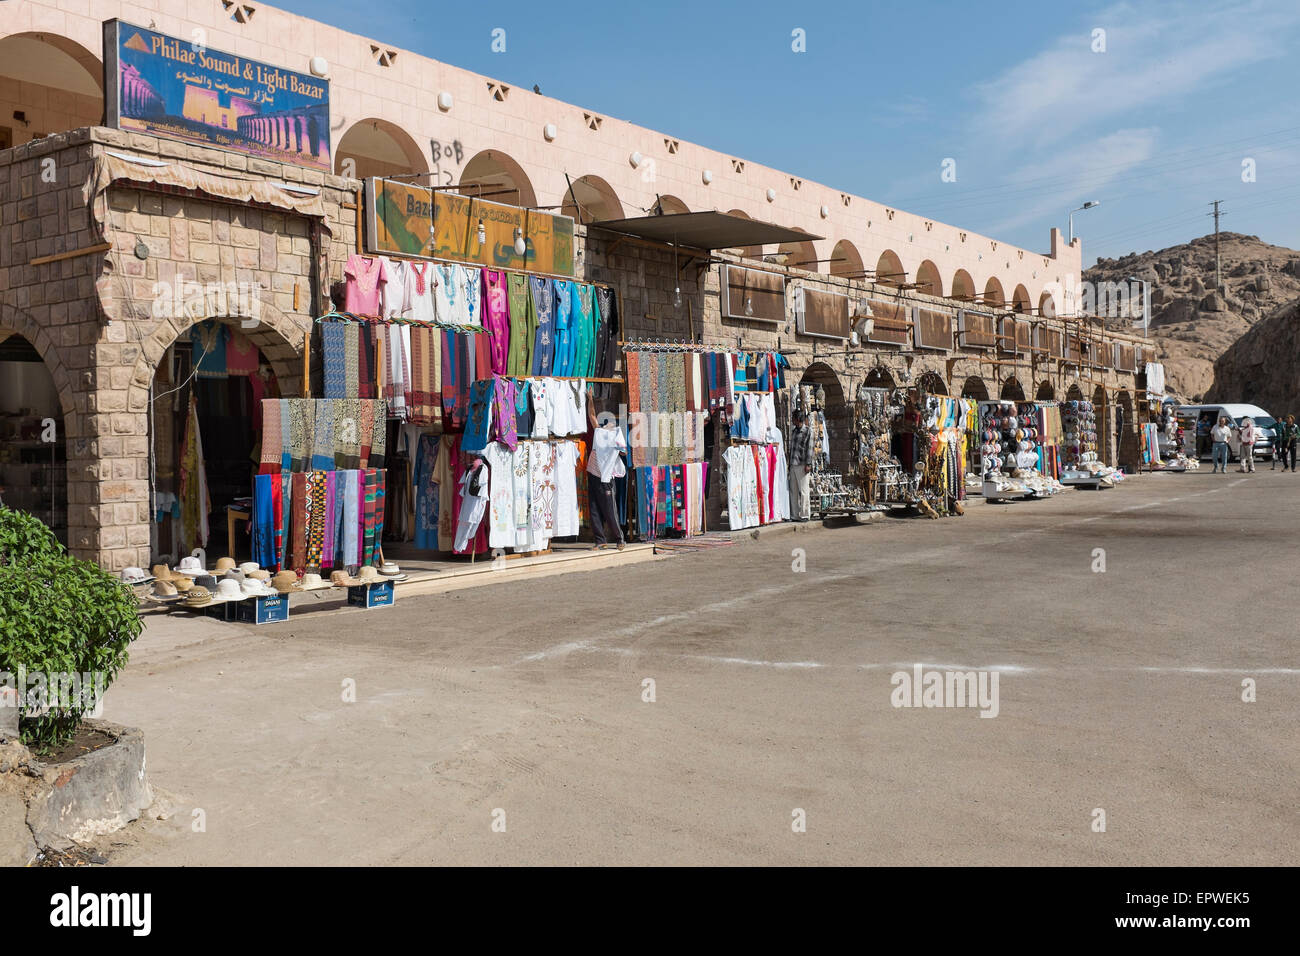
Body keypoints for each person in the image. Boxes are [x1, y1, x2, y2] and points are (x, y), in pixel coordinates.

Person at [585, 404, 626, 550]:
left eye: (612, 423)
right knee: (594, 508)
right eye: (607, 422)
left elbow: (623, 453)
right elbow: (592, 416)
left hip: (606, 477)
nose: (609, 424)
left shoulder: (616, 437)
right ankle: (600, 540)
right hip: (593, 473)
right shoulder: (599, 433)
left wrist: (617, 445)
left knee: (610, 510)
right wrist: (590, 400)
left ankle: (619, 538)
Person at [788, 410, 813, 521]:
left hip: (802, 464)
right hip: (793, 464)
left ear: (798, 419)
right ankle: (795, 514)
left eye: (793, 418)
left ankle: (804, 514)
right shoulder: (794, 432)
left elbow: (810, 449)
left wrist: (808, 464)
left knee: (803, 491)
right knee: (793, 491)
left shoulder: (808, 431)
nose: (792, 420)